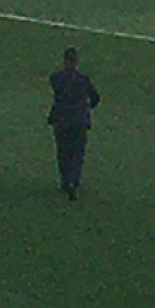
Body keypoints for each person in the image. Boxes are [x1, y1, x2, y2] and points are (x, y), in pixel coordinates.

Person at [48, 47, 100, 200]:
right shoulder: (83, 79)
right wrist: (87, 106)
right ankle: (73, 181)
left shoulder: (56, 77)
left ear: (64, 61)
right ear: (76, 62)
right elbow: (95, 97)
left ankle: (65, 180)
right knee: (77, 153)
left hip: (61, 119)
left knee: (63, 151)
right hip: (79, 120)